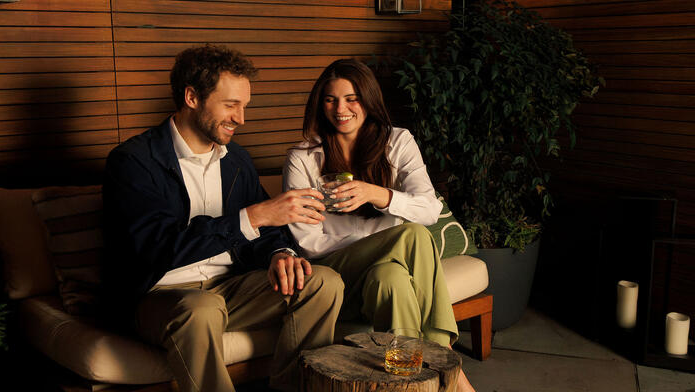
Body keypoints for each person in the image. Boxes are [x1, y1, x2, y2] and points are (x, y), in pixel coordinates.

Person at [102, 44, 344, 392]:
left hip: (228, 289)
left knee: (323, 283)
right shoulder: (133, 162)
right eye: (231, 105)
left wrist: (279, 254)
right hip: (157, 296)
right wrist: (252, 217)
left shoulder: (236, 160)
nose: (241, 118)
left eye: (244, 106)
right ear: (191, 97)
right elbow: (154, 248)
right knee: (200, 309)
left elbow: (266, 227)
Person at [283, 59, 476, 392]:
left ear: (368, 99)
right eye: (330, 99)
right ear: (320, 103)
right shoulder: (303, 157)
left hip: (387, 268)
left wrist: (379, 194)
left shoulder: (397, 142)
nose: (340, 108)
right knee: (412, 235)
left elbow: (429, 209)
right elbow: (308, 242)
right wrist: (370, 246)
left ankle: (409, 384)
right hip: (335, 268)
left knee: (392, 280)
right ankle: (446, 363)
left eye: (351, 98)